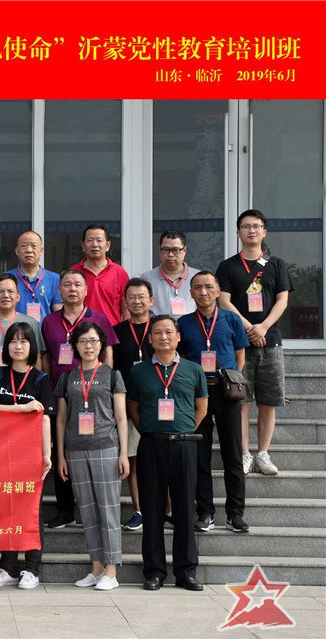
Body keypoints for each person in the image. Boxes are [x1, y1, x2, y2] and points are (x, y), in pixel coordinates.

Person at [126, 315, 208, 592]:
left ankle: (186, 572)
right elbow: (133, 408)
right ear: (150, 339)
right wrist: (151, 431)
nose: (163, 337)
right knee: (152, 510)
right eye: (157, 333)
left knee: (184, 509)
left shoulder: (193, 369)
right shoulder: (139, 372)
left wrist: (182, 430)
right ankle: (154, 572)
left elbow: (201, 407)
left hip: (184, 446)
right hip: (151, 445)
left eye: (168, 332)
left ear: (178, 337)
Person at [215, 209, 294, 475]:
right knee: (241, 401)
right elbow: (224, 301)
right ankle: (244, 453)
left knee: (268, 402)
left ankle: (263, 453)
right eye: (246, 226)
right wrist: (249, 328)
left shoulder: (277, 264)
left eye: (256, 226)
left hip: (271, 342)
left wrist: (263, 327)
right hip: (239, 343)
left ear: (264, 231)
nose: (251, 230)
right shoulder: (228, 266)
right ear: (238, 232)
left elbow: (283, 300)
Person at [41, 269, 118, 529]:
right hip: (62, 392)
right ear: (59, 290)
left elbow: (108, 351)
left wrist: (107, 383)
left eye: (77, 284)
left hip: (93, 393)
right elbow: (47, 356)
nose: (72, 289)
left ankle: (92, 508)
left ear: (86, 290)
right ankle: (65, 509)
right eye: (67, 285)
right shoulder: (49, 321)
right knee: (60, 447)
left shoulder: (98, 317)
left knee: (91, 447)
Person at [56, 322, 129, 591]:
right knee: (86, 510)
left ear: (102, 345)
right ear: (75, 346)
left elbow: (121, 417)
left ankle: (111, 570)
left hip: (105, 447)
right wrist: (61, 455)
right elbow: (61, 420)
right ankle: (96, 568)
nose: (88, 346)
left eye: (93, 341)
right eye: (83, 341)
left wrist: (124, 453)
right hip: (75, 449)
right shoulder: (67, 378)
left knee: (108, 509)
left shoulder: (112, 375)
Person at [178, 272, 250, 534]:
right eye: (197, 287)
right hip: (197, 394)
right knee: (200, 455)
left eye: (209, 286)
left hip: (226, 391)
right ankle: (205, 512)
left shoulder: (231, 318)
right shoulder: (184, 323)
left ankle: (235, 514)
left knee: (233, 454)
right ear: (191, 293)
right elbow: (181, 357)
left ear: (218, 290)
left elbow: (240, 353)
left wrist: (233, 378)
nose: (203, 292)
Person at [0, 322, 53, 590]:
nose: (18, 346)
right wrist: (22, 408)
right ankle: (8, 567)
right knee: (6, 508)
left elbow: (44, 418)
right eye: (13, 341)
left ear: (32, 346)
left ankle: (32, 568)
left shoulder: (41, 379)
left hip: (30, 453)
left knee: (32, 509)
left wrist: (47, 453)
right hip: (1, 452)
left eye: (24, 341)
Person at [112, 278, 156, 532]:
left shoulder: (160, 327)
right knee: (134, 459)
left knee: (162, 458)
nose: (137, 301)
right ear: (125, 302)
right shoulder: (117, 332)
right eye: (132, 297)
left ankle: (167, 510)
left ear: (151, 300)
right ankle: (139, 510)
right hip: (129, 404)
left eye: (141, 297)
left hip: (159, 403)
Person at [0, 273, 45, 386]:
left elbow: (37, 360)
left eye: (10, 291)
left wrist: (36, 387)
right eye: (0, 291)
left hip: (24, 390)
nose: (6, 295)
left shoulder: (30, 324)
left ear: (18, 296)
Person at [70, 224, 130, 327]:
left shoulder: (119, 272)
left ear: (107, 245)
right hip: (82, 332)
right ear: (83, 246)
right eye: (90, 240)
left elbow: (126, 308)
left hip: (112, 331)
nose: (94, 244)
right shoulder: (74, 272)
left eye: (99, 240)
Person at [140, 230, 200, 319]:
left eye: (175, 250)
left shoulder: (197, 277)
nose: (170, 254)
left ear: (184, 250)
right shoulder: (147, 279)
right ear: (160, 250)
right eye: (166, 249)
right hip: (157, 327)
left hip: (192, 326)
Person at [7, 230, 63, 324]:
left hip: (44, 332)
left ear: (41, 250)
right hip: (14, 332)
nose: (29, 250)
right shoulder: (7, 279)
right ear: (17, 251)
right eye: (24, 246)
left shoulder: (54, 279)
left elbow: (58, 313)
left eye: (33, 246)